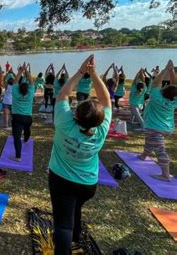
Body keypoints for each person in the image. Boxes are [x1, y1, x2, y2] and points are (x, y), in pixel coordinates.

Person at [48, 55, 112, 254]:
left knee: (62, 224)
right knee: (75, 207)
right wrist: (92, 74)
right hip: (87, 185)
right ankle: (76, 236)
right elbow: (106, 99)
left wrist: (81, 71)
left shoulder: (65, 123)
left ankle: (66, 244)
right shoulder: (101, 130)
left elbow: (63, 93)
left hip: (62, 180)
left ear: (75, 114)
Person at [139, 60, 176, 181]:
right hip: (166, 129)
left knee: (160, 151)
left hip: (155, 128)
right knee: (151, 141)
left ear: (163, 91)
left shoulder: (156, 97)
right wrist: (171, 71)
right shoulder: (174, 100)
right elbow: (175, 85)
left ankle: (165, 175)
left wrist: (166, 69)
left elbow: (155, 83)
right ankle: (144, 155)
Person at [9, 63, 35, 162]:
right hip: (28, 118)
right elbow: (31, 81)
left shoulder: (15, 91)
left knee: (16, 137)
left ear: (19, 87)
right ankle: (26, 139)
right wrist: (26, 70)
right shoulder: (30, 93)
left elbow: (15, 81)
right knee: (27, 128)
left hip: (17, 118)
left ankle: (18, 157)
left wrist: (20, 71)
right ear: (28, 89)